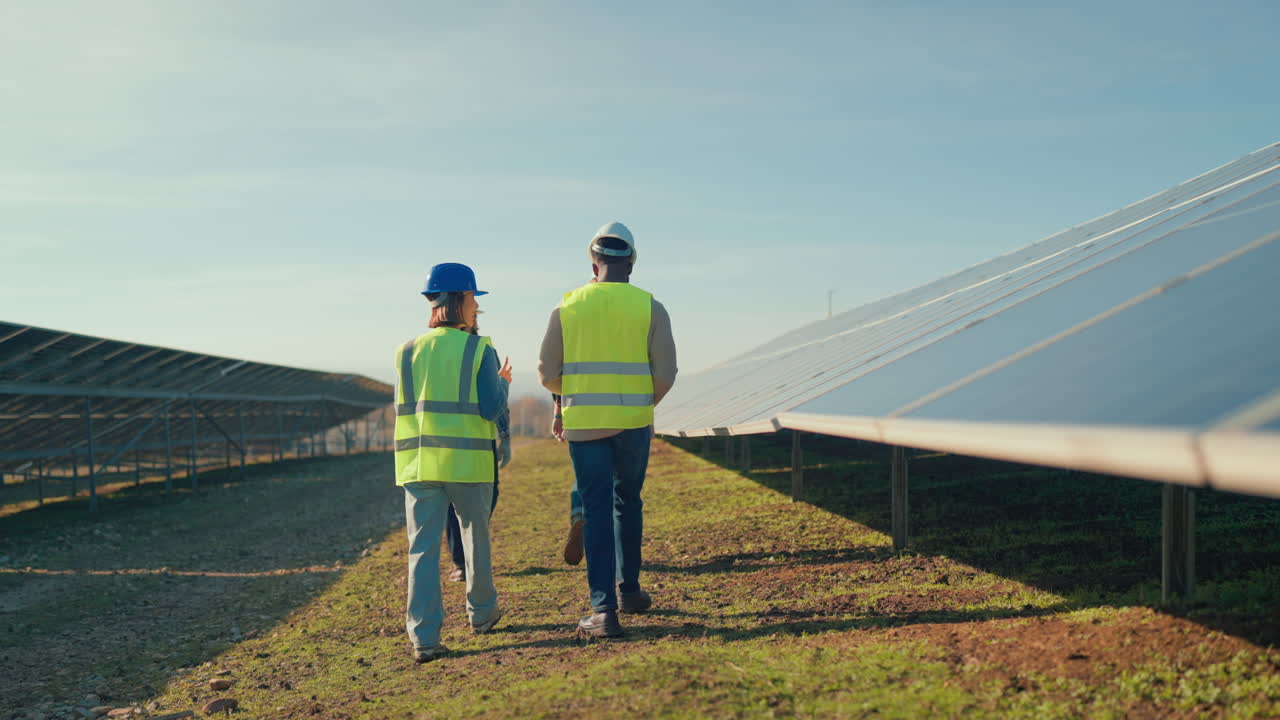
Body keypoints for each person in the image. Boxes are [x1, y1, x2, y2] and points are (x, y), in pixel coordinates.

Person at [538, 221, 678, 637]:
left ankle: (602, 612)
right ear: (631, 264)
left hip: (584, 425)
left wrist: (578, 392)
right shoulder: (651, 306)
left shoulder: (567, 306)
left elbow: (547, 373)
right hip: (633, 423)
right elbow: (666, 372)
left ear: (593, 262)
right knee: (628, 501)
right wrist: (639, 401)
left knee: (595, 508)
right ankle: (629, 591)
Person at [395, 262, 512, 662]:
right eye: (474, 298)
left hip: (418, 464)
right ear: (461, 299)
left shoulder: (405, 351)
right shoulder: (479, 348)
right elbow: (490, 408)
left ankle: (424, 638)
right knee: (474, 538)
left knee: (421, 550)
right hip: (467, 464)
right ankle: (482, 614)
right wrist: (504, 382)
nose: (476, 306)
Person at [444, 318, 513, 583]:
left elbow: (497, 401)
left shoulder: (484, 351)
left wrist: (504, 435)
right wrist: (505, 383)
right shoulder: (444, 352)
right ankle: (461, 562)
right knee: (453, 505)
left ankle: (470, 556)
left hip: (479, 444)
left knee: (487, 500)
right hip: (451, 444)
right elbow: (497, 398)